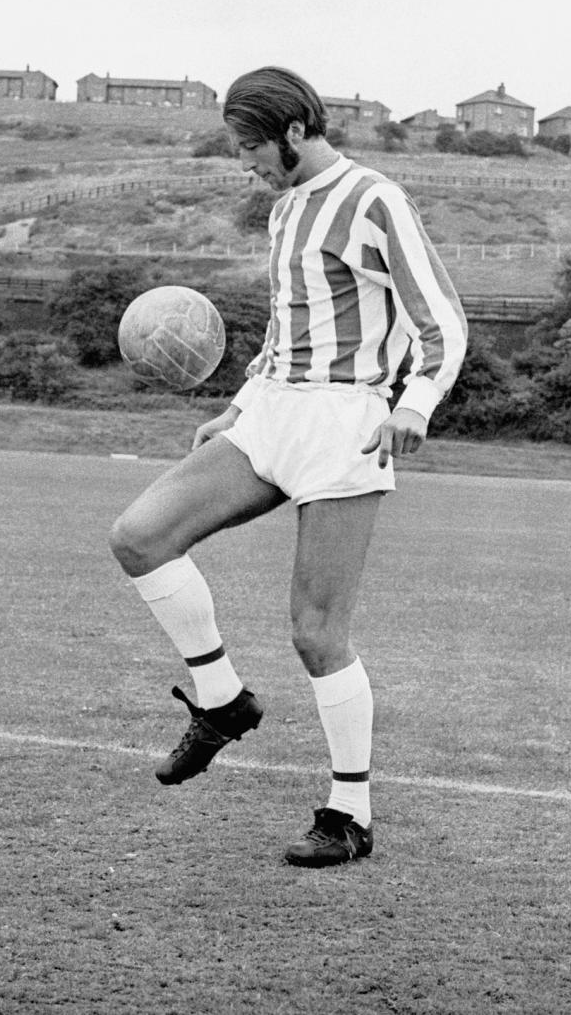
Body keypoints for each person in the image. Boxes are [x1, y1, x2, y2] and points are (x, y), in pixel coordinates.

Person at [109, 67, 467, 867]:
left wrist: (416, 404)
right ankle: (222, 700)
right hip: (273, 410)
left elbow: (441, 319)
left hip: (346, 422)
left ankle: (349, 814)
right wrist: (240, 404)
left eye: (251, 148)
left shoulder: (374, 200)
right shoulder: (282, 210)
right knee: (139, 536)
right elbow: (286, 326)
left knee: (316, 634)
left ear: (295, 132)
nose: (246, 164)